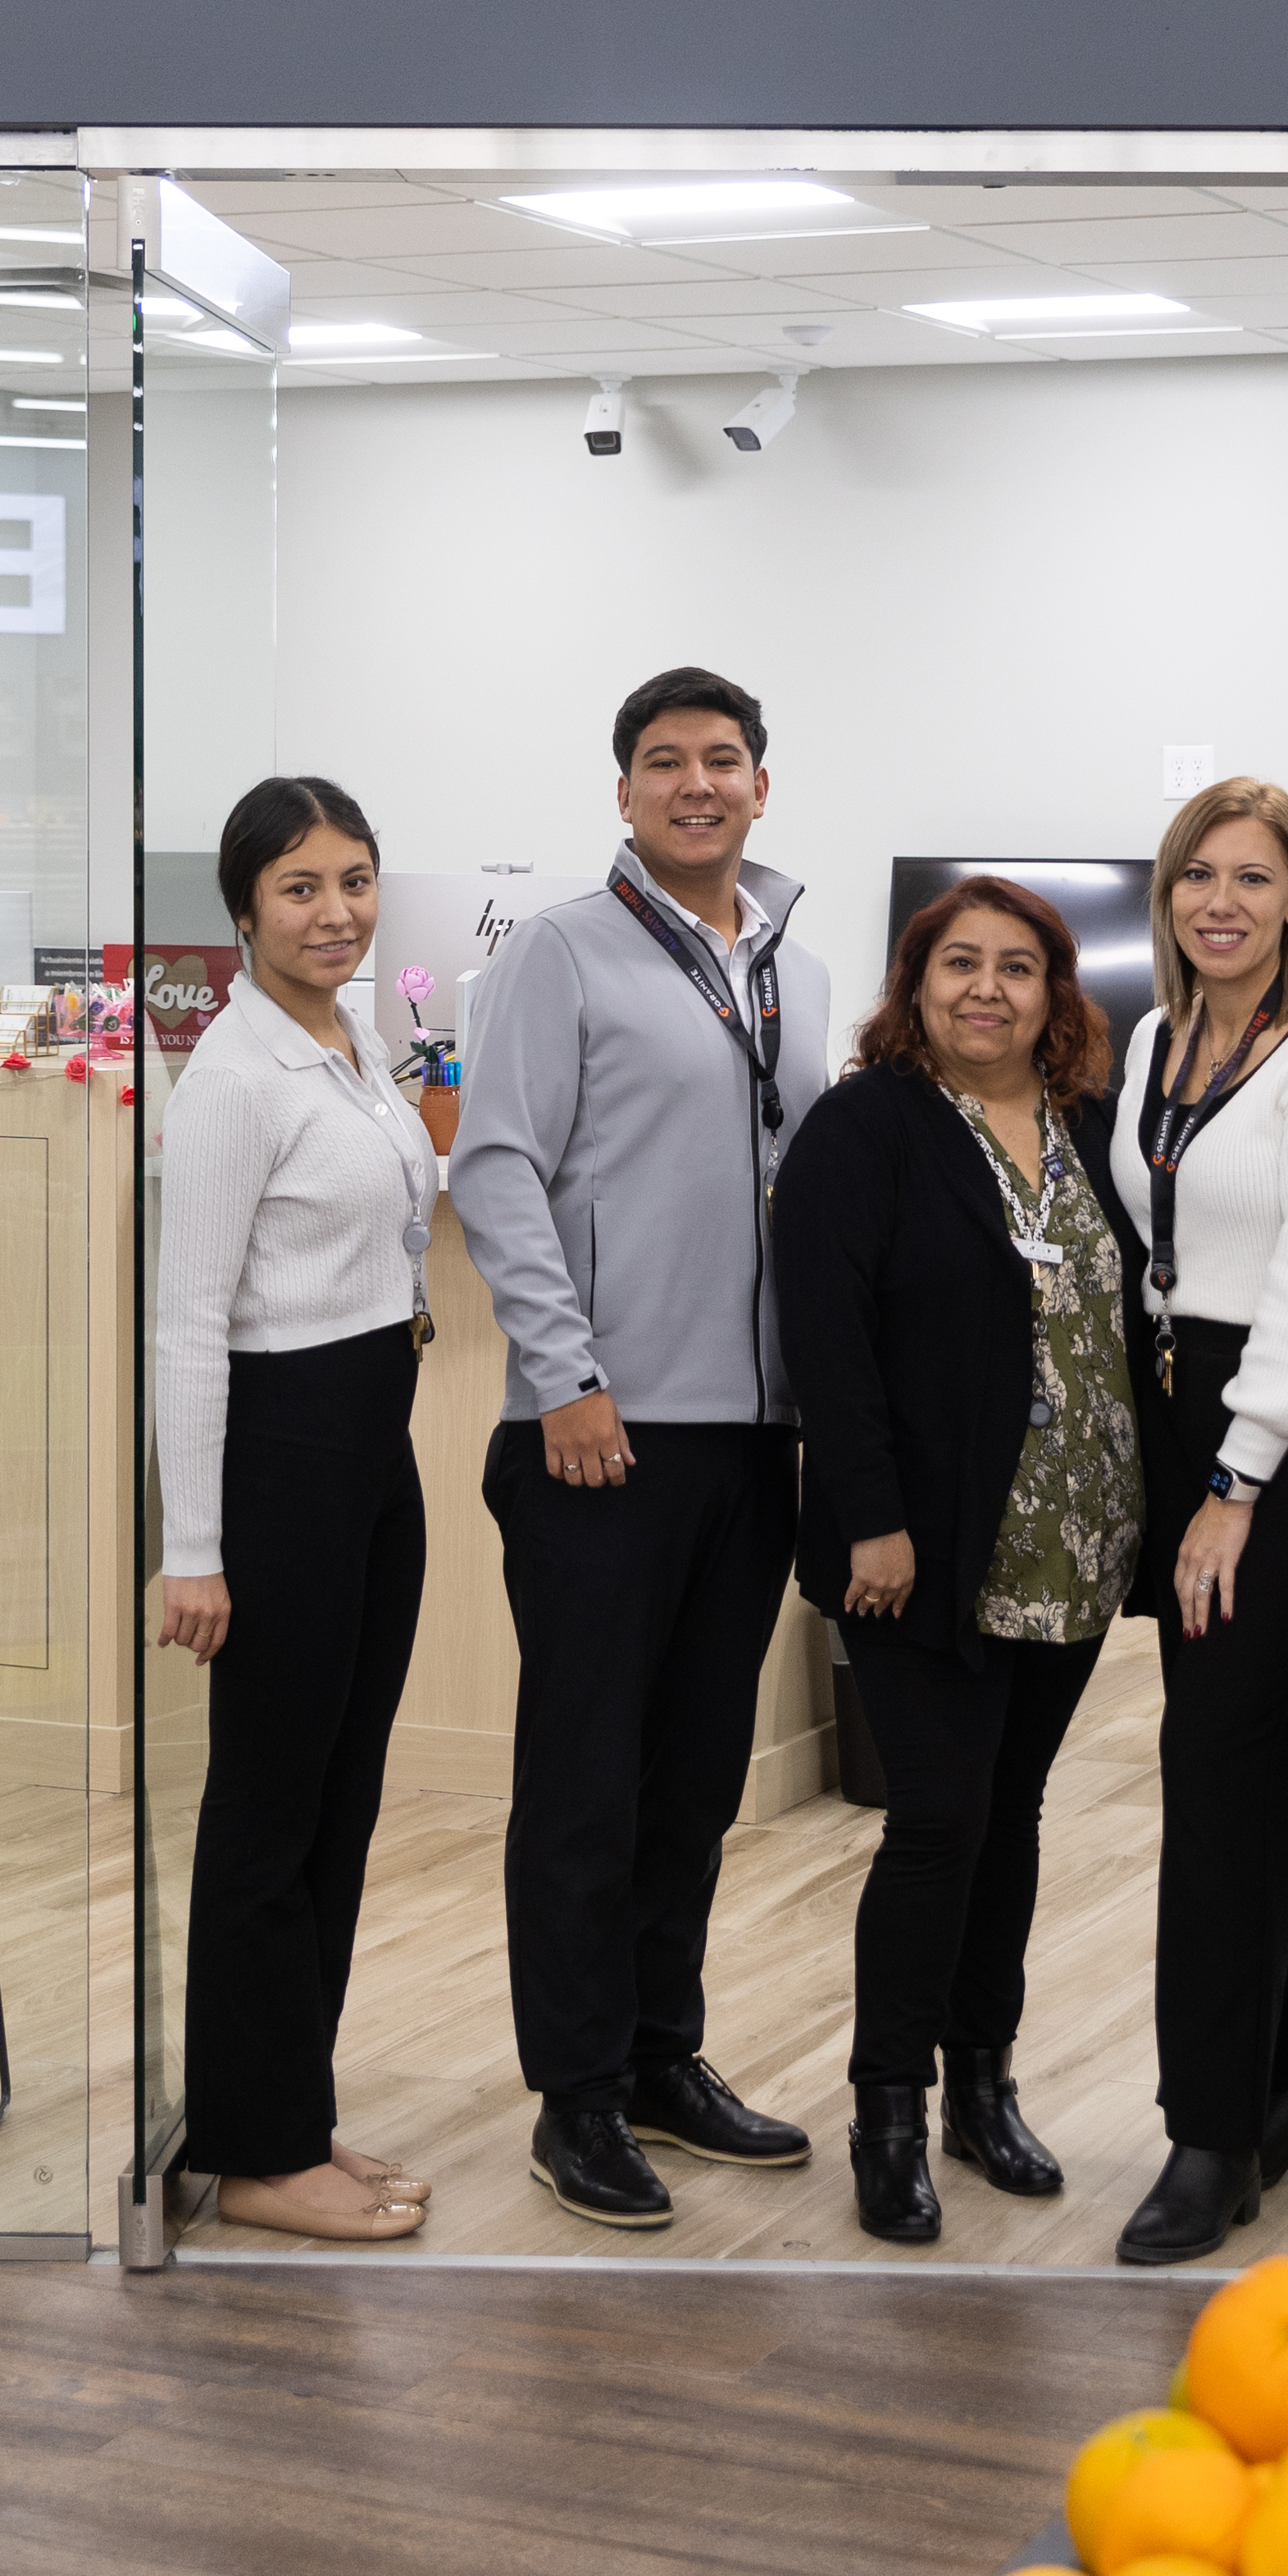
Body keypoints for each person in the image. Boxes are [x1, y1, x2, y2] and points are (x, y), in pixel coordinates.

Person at [449, 665, 837, 2230]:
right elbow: (494, 1168)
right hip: (599, 1438)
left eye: (722, 760)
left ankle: (664, 2054)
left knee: (694, 1780)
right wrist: (568, 1377)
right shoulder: (559, 951)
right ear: (624, 792)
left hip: (752, 1438)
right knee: (585, 1786)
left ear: (761, 786)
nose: (696, 785)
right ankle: (579, 2094)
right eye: (664, 762)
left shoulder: (794, 968)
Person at [770, 878, 1141, 2244]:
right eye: (960, 963)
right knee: (937, 1819)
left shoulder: (1086, 1125)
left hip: (1073, 1541)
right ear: (916, 984)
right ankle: (889, 2113)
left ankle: (985, 2086)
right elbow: (826, 1335)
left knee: (1011, 1815)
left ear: (1055, 994)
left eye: (1018, 967)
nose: (988, 989)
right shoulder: (865, 1126)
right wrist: (870, 1513)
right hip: (924, 1548)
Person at [1108, 775, 1288, 2265]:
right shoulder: (1159, 1037)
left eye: (1252, 878)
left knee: (1217, 1776)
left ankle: (1210, 2134)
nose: (1220, 902)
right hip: (1186, 1413)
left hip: (1281, 1438)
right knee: (1267, 1761)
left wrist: (1237, 1482)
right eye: (1196, 875)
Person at [152, 776, 442, 2245]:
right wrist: (193, 1551)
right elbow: (188, 1326)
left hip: (371, 1449)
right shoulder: (232, 1081)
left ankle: (292, 2109)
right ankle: (253, 2153)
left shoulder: (352, 1041)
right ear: (245, 910)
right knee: (269, 1815)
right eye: (301, 889)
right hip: (283, 1457)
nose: (337, 913)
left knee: (340, 1802)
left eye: (355, 881)